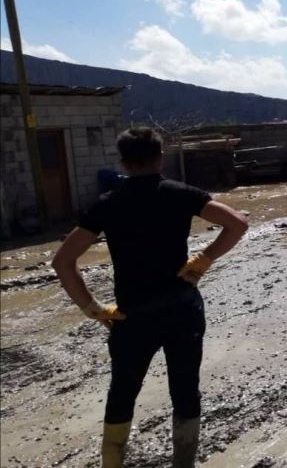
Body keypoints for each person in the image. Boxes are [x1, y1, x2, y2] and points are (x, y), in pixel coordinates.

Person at [52, 127, 248, 468]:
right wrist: (203, 260)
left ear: (123, 163)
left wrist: (93, 309)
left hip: (132, 316)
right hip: (182, 309)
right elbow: (237, 224)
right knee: (185, 390)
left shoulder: (107, 204)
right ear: (160, 157)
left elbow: (63, 262)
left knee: (122, 394)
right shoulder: (182, 194)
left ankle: (113, 464)